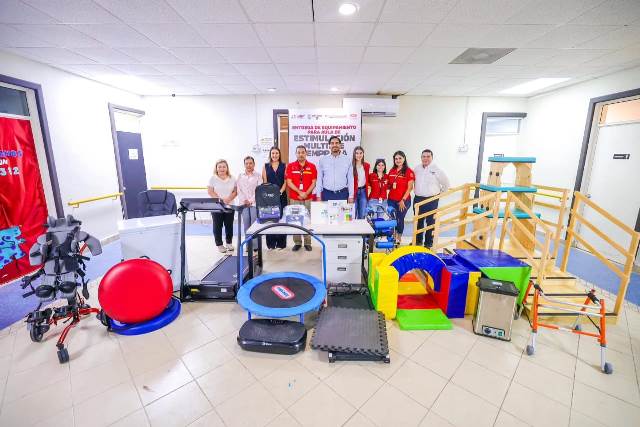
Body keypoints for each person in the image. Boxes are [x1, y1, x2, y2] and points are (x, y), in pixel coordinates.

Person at [413, 149, 450, 248]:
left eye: (428, 156)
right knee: (418, 221)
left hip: (431, 200)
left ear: (432, 158)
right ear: (421, 158)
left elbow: (446, 183)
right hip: (418, 199)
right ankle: (418, 242)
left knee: (430, 222)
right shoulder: (416, 169)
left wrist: (439, 195)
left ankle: (428, 243)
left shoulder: (437, 169)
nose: (425, 158)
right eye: (423, 156)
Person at [286, 145, 317, 252]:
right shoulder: (291, 166)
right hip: (295, 198)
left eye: (303, 152)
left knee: (307, 221)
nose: (301, 154)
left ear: (306, 153)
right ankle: (297, 242)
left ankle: (308, 242)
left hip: (308, 198)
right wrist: (300, 192)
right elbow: (289, 182)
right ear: (296, 154)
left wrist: (306, 193)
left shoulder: (312, 166)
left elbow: (314, 182)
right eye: (298, 152)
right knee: (296, 220)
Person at [207, 159, 237, 253]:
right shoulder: (213, 178)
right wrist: (220, 200)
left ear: (227, 168)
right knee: (217, 225)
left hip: (230, 205)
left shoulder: (232, 178)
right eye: (219, 167)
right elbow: (210, 191)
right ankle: (219, 244)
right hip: (216, 206)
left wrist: (228, 199)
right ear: (216, 168)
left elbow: (235, 191)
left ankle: (229, 243)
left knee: (229, 225)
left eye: (224, 166)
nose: (222, 168)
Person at [262, 147, 287, 250]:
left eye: (276, 153)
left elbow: (285, 181)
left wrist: (280, 192)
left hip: (281, 195)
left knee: (281, 220)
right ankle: (271, 244)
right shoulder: (265, 166)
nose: (275, 155)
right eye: (273, 153)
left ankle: (281, 244)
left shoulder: (284, 166)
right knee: (270, 219)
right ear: (270, 154)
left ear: (279, 154)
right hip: (269, 197)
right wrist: (271, 194)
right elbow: (265, 182)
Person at [387, 151, 415, 246]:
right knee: (392, 219)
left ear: (404, 159)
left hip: (403, 201)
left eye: (400, 158)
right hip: (391, 200)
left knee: (399, 218)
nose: (398, 160)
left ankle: (399, 237)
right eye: (396, 159)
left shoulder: (409, 171)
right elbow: (389, 185)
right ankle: (394, 236)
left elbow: (410, 187)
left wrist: (403, 200)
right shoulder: (392, 170)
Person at [316, 136, 354, 202]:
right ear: (329, 145)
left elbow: (350, 179)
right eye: (332, 143)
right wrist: (318, 195)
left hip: (342, 194)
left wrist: (351, 196)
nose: (334, 145)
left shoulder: (347, 159)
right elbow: (319, 178)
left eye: (336, 143)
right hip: (327, 194)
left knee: (342, 210)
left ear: (340, 145)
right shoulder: (323, 160)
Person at [236, 156, 262, 240]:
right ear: (244, 165)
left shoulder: (258, 175)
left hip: (254, 203)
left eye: (250, 163)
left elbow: (259, 189)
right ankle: (248, 244)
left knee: (254, 224)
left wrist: (250, 201)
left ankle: (255, 245)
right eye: (246, 163)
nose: (248, 165)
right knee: (246, 224)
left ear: (254, 164)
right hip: (243, 204)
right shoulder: (240, 176)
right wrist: (244, 200)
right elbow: (238, 189)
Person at [352, 146, 370, 219]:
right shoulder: (351, 165)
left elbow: (368, 178)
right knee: (352, 215)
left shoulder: (367, 165)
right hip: (353, 192)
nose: (359, 155)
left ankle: (361, 227)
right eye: (357, 153)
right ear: (354, 154)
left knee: (362, 215)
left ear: (363, 154)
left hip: (363, 192)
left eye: (360, 153)